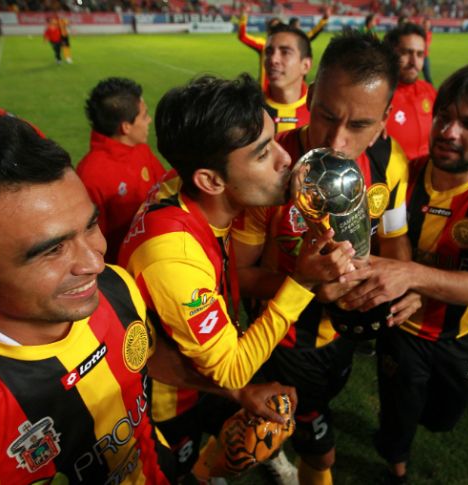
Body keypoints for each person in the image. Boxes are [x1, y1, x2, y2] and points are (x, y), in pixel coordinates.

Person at [0, 113, 295, 485]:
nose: (95, 262)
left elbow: (143, 356)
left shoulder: (116, 289)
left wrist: (237, 393)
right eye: (53, 249)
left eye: (90, 225)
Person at [117, 74, 356, 483]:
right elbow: (232, 370)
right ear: (210, 180)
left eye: (275, 141)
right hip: (166, 402)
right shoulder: (172, 258)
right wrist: (301, 283)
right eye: (263, 154)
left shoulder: (187, 190)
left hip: (195, 363)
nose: (285, 159)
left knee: (260, 425)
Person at [233, 31, 421, 485]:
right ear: (312, 95)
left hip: (343, 336)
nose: (337, 140)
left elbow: (394, 239)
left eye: (359, 125)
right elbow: (236, 274)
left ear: (384, 120)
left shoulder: (390, 162)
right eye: (327, 116)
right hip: (284, 341)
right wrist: (306, 287)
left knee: (282, 432)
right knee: (320, 454)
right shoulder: (272, 168)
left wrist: (404, 283)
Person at [337, 63, 468, 484]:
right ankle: (396, 467)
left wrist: (415, 278)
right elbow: (380, 251)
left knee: (443, 418)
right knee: (399, 413)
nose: (448, 131)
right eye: (443, 117)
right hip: (402, 330)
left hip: (459, 334)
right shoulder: (403, 176)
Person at [76, 77, 166, 264]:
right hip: (124, 270)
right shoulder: (91, 176)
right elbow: (91, 246)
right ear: (126, 127)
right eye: (144, 116)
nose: (149, 120)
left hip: (156, 253)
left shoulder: (139, 148)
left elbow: (164, 189)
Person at [238, 6, 329, 91]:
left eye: (285, 52)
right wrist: (244, 16)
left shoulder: (291, 42)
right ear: (268, 30)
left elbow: (311, 34)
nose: (274, 60)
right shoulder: (263, 45)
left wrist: (324, 20)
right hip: (266, 94)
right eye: (273, 28)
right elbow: (243, 36)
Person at [385, 22, 437, 162]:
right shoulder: (377, 96)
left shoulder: (429, 91)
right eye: (406, 53)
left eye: (420, 54)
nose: (414, 61)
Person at [263, 24, 313, 133]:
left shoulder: (320, 111)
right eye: (269, 52)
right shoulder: (250, 109)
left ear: (305, 65)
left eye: (285, 52)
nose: (273, 60)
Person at [421, 17, 433, 85]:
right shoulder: (419, 33)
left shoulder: (429, 33)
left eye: (429, 24)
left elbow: (427, 45)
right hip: (418, 56)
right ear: (423, 25)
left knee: (427, 76)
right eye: (426, 24)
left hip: (425, 57)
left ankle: (431, 89)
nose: (428, 26)